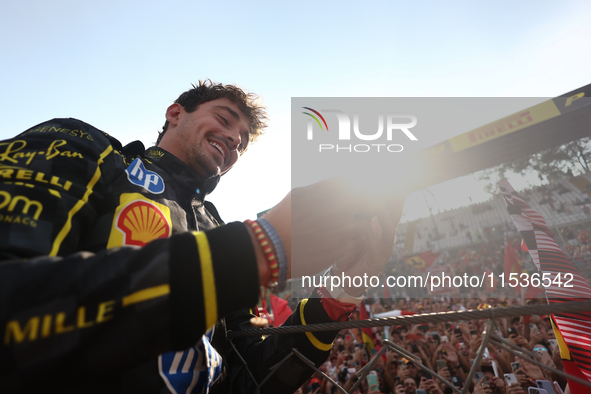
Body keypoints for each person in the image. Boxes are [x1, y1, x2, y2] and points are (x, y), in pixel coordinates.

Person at [0, 80, 403, 393]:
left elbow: (250, 380)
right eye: (225, 120)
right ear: (175, 113)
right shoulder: (85, 147)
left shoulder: (217, 227)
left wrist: (339, 296)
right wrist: (259, 249)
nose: (233, 140)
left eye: (242, 141)